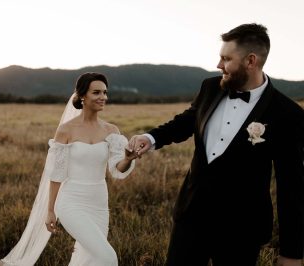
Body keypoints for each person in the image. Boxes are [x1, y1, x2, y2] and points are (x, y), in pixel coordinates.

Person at [129, 23, 304, 266]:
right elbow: (188, 121)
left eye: (226, 58)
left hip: (242, 230)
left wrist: (292, 252)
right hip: (190, 218)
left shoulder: (288, 114)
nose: (218, 65)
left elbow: (291, 188)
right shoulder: (210, 87)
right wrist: (150, 138)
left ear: (250, 61)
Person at [0, 72, 137, 266]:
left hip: (99, 203)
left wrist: (127, 158)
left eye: (105, 92)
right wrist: (50, 210)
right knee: (108, 258)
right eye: (96, 92)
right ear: (82, 96)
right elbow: (57, 174)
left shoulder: (112, 131)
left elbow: (117, 168)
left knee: (90, 257)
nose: (103, 97)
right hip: (71, 203)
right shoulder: (66, 130)